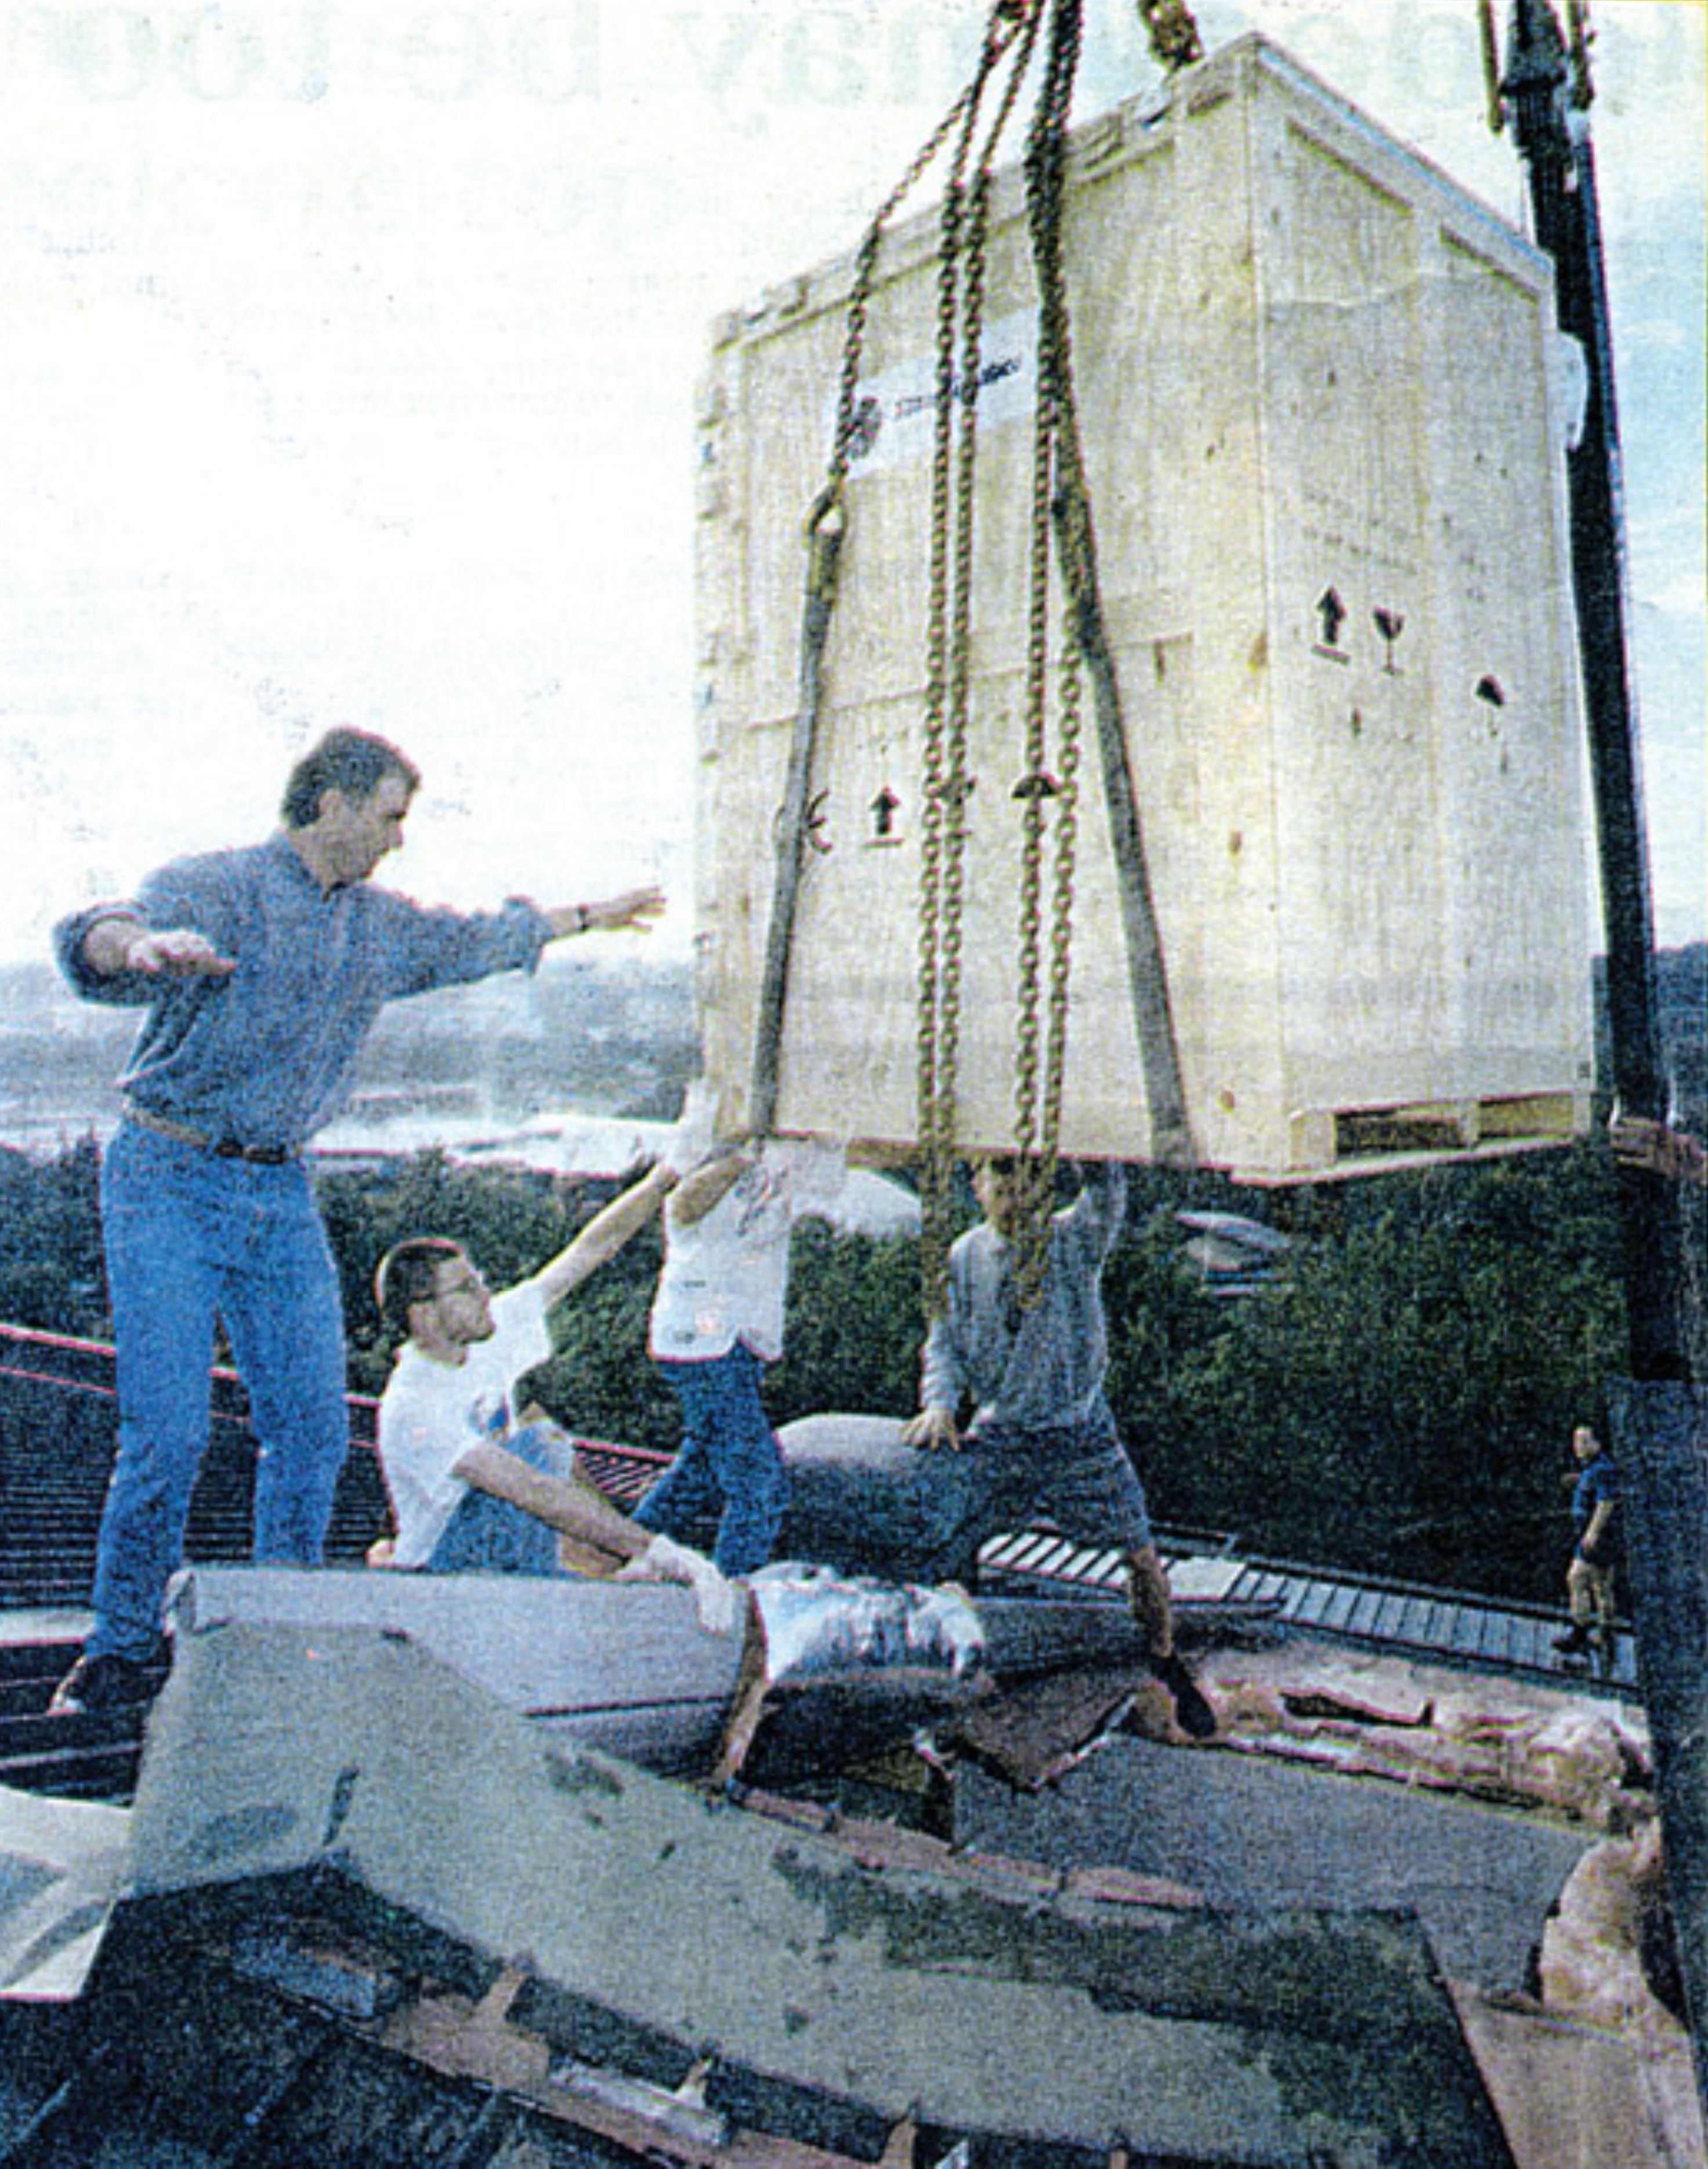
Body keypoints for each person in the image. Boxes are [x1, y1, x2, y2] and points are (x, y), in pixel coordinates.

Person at [49, 726, 665, 1713]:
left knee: (310, 1432)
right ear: (331, 803)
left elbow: (482, 940)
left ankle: (277, 1632)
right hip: (166, 1174)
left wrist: (598, 913)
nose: (398, 839)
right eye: (389, 815)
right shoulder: (217, 885)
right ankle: (119, 1648)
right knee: (165, 1433)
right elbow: (97, 933)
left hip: (278, 1192)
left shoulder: (378, 927)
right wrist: (140, 947)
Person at [902, 1155, 1217, 1740]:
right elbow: (941, 1344)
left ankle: (1163, 1659)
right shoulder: (963, 1257)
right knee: (947, 1540)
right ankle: (951, 1664)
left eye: (1027, 1181)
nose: (1015, 1195)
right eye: (1001, 1181)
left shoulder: (1072, 1239)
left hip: (1078, 1434)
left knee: (1140, 1554)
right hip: (1003, 1434)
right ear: (979, 1187)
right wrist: (940, 1403)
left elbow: (1107, 1191)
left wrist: (1084, 1144)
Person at [373, 1165, 734, 1633]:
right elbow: (531, 1490)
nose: (486, 1295)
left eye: (479, 1280)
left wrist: (664, 1178)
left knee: (542, 1439)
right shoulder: (414, 1403)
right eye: (466, 1288)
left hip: (487, 1551)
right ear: (422, 1315)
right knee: (540, 1445)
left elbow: (589, 1253)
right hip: (440, 1581)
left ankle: (561, 1584)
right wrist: (658, 1549)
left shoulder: (487, 1336)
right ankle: (554, 1593)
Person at [632, 1133, 848, 1575]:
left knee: (701, 1472)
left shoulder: (787, 1155)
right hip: (703, 1341)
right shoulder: (714, 1157)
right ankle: (731, 1596)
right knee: (760, 1484)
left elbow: (849, 1160)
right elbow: (681, 1207)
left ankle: (623, 1551)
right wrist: (745, 1156)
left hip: (737, 1343)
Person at [1553, 1422, 1621, 1662]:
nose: (1578, 1447)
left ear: (1597, 1444)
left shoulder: (1603, 1470)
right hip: (1597, 1537)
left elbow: (1606, 1503)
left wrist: (1592, 1533)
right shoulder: (1595, 1468)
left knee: (1577, 1578)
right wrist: (1578, 1480)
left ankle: (1580, 1632)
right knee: (1601, 1586)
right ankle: (1605, 1633)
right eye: (1576, 1441)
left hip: (1599, 1538)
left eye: (1584, 1441)